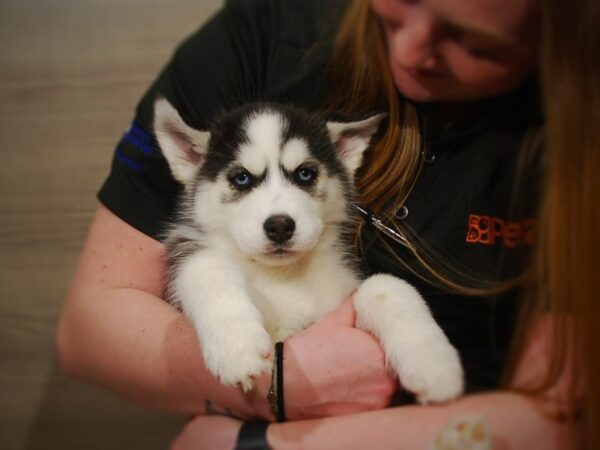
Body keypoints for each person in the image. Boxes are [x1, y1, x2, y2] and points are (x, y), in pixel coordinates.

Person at [56, 0, 598, 448]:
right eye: (401, 4)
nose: (409, 50)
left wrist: (253, 444)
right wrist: (280, 387)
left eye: (474, 43)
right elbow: (90, 329)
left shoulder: (562, 142)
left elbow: (562, 416)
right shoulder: (269, 31)